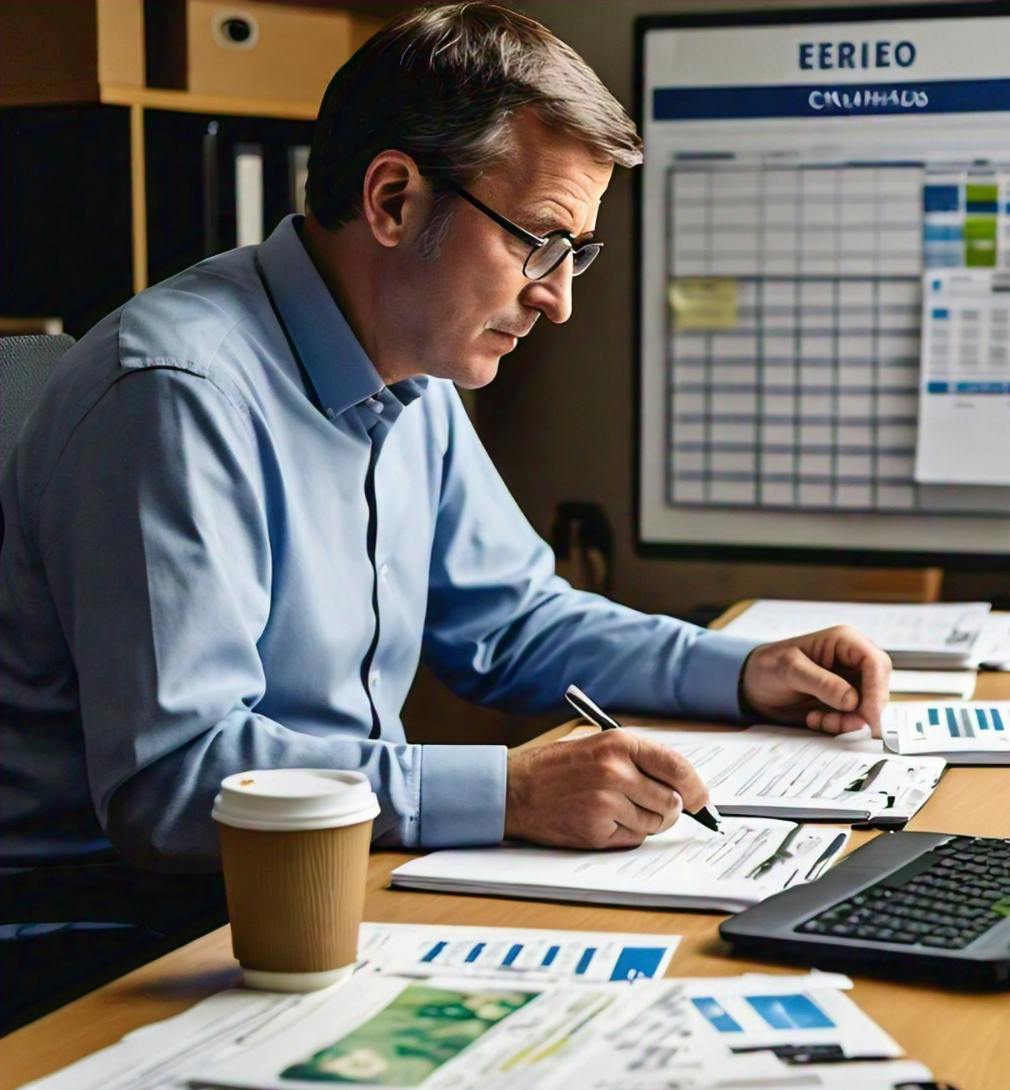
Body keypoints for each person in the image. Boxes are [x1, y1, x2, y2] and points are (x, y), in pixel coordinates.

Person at [0, 4, 890, 1025]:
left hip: (310, 894)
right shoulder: (176, 393)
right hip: (101, 939)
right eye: (540, 243)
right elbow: (174, 780)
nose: (557, 299)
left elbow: (511, 623)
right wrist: (510, 794)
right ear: (391, 198)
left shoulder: (408, 376)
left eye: (575, 253)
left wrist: (741, 669)